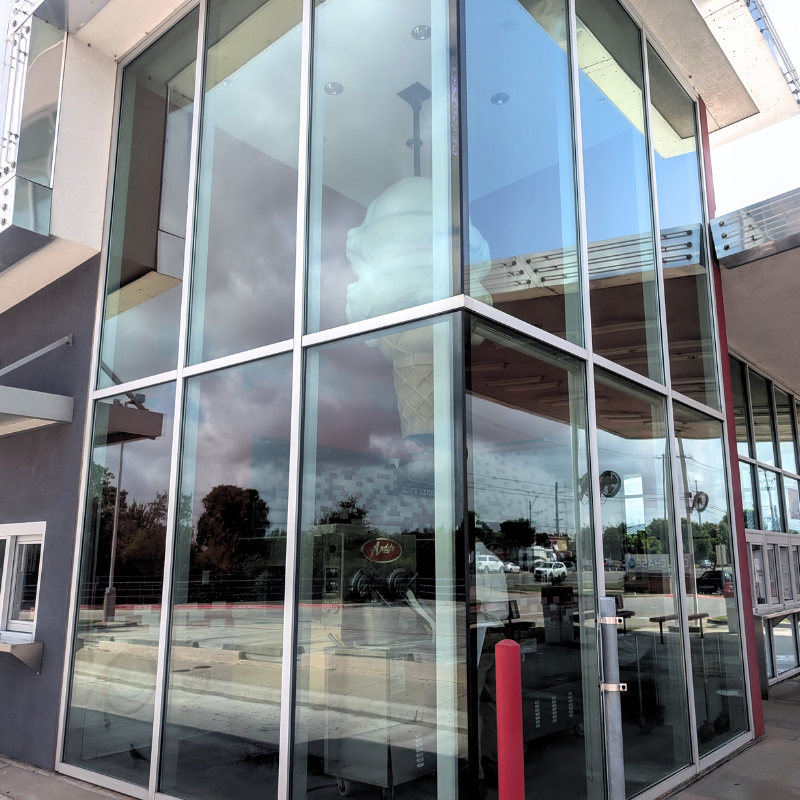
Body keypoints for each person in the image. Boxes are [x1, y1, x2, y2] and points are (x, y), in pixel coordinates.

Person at [473, 529, 509, 788]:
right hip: (498, 633)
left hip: (480, 635)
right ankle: (495, 762)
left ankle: (475, 768)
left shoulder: (473, 560)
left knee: (471, 707)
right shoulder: (493, 560)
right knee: (492, 705)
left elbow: (472, 601)